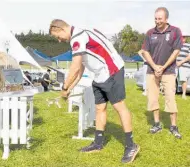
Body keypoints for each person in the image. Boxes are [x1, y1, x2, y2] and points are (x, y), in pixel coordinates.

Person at [49, 19, 140, 163]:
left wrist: (64, 87)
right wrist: (70, 89)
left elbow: (75, 66)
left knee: (119, 107)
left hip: (112, 71)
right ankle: (98, 143)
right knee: (99, 108)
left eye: (57, 37)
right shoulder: (80, 35)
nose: (59, 40)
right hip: (98, 75)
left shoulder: (77, 38)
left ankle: (131, 145)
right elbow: (81, 69)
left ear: (60, 29)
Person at [141, 7, 182, 139]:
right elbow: (145, 51)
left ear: (166, 19)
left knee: (170, 98)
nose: (157, 21)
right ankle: (157, 124)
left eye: (160, 19)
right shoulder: (150, 33)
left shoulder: (175, 31)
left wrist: (163, 67)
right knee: (153, 98)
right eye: (156, 18)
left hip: (168, 71)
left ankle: (173, 127)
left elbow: (176, 51)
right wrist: (154, 66)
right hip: (152, 71)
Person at [176, 34, 190, 99]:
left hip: (184, 65)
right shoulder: (175, 45)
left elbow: (189, 56)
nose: (182, 38)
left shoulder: (188, 45)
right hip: (175, 65)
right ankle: (171, 93)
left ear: (186, 38)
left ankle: (183, 94)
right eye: (181, 37)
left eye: (184, 37)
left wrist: (181, 62)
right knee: (173, 79)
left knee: (183, 80)